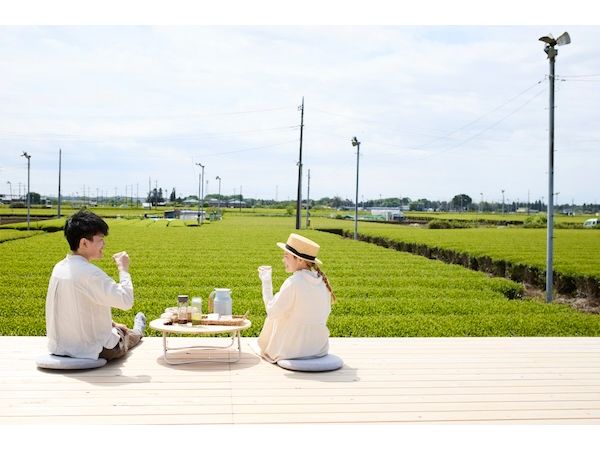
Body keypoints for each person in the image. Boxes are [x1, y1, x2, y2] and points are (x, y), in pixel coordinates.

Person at [45, 210, 146, 361]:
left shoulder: (59, 268)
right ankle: (138, 329)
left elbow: (78, 308)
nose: (103, 244)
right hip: (93, 349)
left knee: (117, 328)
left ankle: (119, 328)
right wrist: (123, 269)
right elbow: (126, 301)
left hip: (59, 347)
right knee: (127, 335)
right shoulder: (90, 273)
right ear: (84, 243)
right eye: (100, 239)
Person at [256, 233, 335, 363]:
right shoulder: (323, 283)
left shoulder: (293, 282)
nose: (283, 260)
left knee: (275, 314)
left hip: (292, 350)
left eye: (286, 256)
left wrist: (266, 282)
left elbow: (271, 311)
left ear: (299, 260)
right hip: (318, 348)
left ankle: (271, 348)